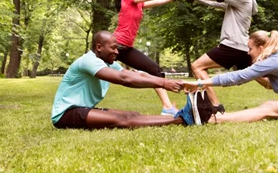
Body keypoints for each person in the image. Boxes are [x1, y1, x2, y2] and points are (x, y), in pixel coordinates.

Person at [51, 31, 201, 129]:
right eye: (113, 48)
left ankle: (179, 115)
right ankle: (181, 120)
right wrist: (162, 83)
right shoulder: (88, 61)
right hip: (66, 114)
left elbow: (136, 75)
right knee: (123, 120)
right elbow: (124, 79)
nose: (117, 52)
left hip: (82, 109)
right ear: (99, 47)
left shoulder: (107, 62)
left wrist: (177, 83)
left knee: (133, 114)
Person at [178, 0, 258, 111]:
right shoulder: (239, 0)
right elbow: (213, 2)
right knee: (262, 75)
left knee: (197, 66)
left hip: (232, 46)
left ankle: (215, 105)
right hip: (242, 47)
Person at [113, 0, 183, 115]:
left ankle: (167, 108)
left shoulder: (138, 3)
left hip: (125, 48)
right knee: (93, 71)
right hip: (115, 46)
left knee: (155, 70)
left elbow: (158, 1)